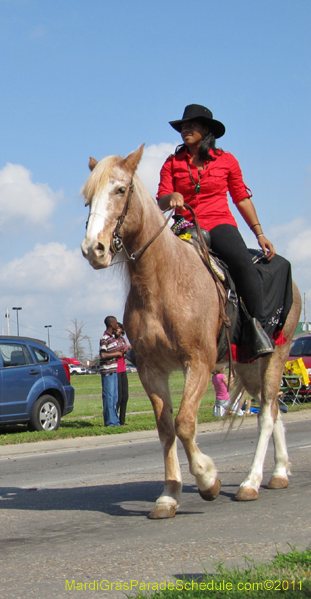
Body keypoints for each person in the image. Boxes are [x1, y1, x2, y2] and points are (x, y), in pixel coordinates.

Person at [156, 104, 274, 357]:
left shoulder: (226, 160)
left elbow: (241, 198)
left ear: (206, 130)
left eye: (191, 125)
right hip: (184, 225)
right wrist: (172, 197)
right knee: (156, 266)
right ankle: (150, 331)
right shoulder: (171, 162)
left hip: (220, 222)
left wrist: (259, 233)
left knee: (243, 263)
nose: (185, 129)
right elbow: (161, 199)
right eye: (182, 126)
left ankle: (256, 328)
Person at [99, 316, 124, 427]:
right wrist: (117, 354)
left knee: (115, 396)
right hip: (108, 371)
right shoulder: (105, 338)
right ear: (111, 324)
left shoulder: (113, 339)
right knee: (109, 396)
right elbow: (103, 354)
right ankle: (110, 422)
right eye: (115, 323)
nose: (117, 325)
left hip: (114, 370)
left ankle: (115, 421)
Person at [115, 323, 131, 425]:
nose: (117, 330)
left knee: (125, 396)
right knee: (119, 397)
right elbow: (119, 350)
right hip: (116, 370)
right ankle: (114, 418)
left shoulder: (123, 340)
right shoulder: (112, 341)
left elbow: (125, 351)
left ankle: (122, 420)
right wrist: (125, 348)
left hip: (123, 370)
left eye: (119, 328)